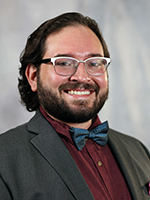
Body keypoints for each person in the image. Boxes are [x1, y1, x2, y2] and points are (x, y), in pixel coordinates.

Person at [0, 12, 149, 200]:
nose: (82, 77)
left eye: (94, 63)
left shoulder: (138, 151)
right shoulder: (4, 159)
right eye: (63, 63)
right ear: (33, 77)